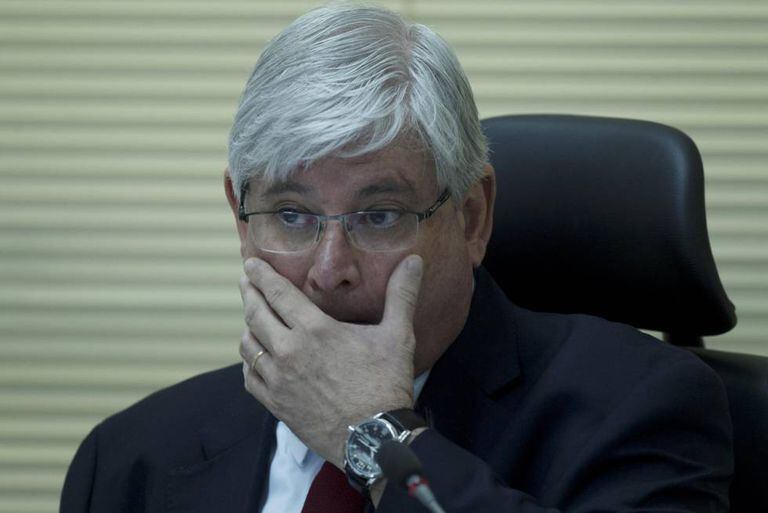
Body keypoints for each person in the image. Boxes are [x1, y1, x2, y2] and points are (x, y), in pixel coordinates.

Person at [60, 4, 733, 512]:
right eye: (291, 215)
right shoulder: (128, 459)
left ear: (471, 218)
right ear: (240, 218)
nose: (330, 270)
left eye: (379, 215)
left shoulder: (642, 407)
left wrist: (376, 436)